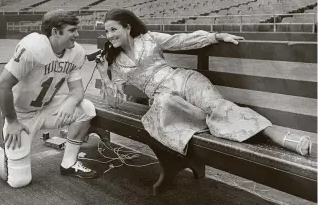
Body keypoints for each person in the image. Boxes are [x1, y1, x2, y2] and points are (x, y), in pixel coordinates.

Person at [96, 8, 311, 156]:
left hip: (184, 80)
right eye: (106, 31)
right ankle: (220, 124)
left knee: (218, 107)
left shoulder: (149, 39)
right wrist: (105, 75)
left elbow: (181, 40)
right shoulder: (115, 64)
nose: (109, 35)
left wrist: (216, 36)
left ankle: (276, 135)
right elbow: (113, 103)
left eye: (113, 29)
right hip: (166, 101)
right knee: (169, 106)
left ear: (128, 28)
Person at [0, 9, 98, 188]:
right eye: (72, 30)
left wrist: (70, 103)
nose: (77, 34)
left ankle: (68, 163)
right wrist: (12, 121)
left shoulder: (76, 52)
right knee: (18, 181)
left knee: (86, 108)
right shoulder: (33, 48)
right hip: (21, 115)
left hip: (47, 107)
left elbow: (77, 90)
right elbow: (2, 86)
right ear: (55, 31)